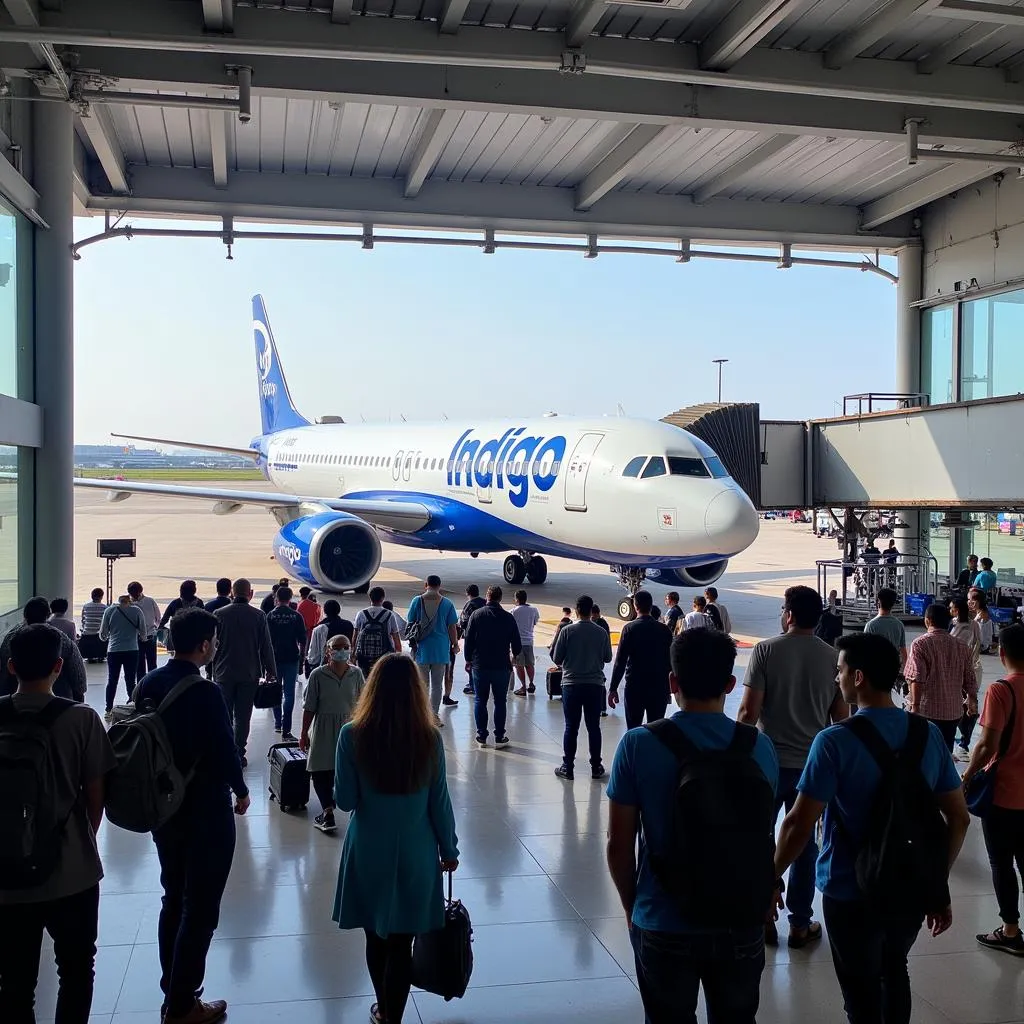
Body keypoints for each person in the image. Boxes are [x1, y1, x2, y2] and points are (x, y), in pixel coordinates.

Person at [775, 632, 970, 1024]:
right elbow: (960, 817)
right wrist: (934, 879)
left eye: (841, 671)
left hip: (850, 887)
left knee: (859, 987)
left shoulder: (833, 742)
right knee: (895, 968)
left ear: (859, 677)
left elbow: (798, 821)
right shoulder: (927, 733)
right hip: (910, 885)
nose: (837, 679)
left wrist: (771, 875)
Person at [606, 628, 778, 1024]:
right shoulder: (759, 747)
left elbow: (619, 843)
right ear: (731, 684)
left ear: (672, 682)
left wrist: (636, 910)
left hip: (664, 916)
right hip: (740, 916)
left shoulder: (638, 744)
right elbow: (761, 832)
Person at [134, 608, 250, 1024]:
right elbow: (223, 749)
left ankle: (173, 987)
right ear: (204, 645)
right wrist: (240, 789)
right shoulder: (206, 692)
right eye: (213, 641)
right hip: (203, 809)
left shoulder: (149, 682)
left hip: (164, 807)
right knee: (201, 909)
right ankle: (184, 1004)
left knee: (173, 897)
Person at [332, 654, 459, 1024]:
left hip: (369, 847)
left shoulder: (351, 735)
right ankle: (394, 1017)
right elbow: (440, 801)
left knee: (375, 939)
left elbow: (344, 801)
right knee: (403, 943)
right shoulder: (430, 738)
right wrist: (449, 849)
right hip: (417, 852)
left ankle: (383, 1007)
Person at [0, 624, 115, 1024]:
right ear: (59, 666)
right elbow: (96, 799)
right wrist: (79, 842)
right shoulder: (82, 719)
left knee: (13, 982)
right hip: (71, 871)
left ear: (11, 667)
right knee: (77, 971)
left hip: (6, 875)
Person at [739, 584, 846, 948]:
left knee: (761, 838)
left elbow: (747, 713)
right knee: (802, 843)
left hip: (768, 765)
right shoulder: (833, 658)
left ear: (788, 615)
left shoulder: (766, 650)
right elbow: (840, 718)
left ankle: (762, 915)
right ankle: (800, 922)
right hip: (811, 769)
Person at [963, 623, 1024, 956]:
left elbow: (986, 745)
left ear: (1002, 653)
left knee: (1002, 863)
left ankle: (1010, 931)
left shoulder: (1002, 690)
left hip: (1003, 795)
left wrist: (968, 776)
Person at [300, 633, 364, 833]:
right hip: (323, 726)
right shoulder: (318, 675)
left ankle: (350, 804)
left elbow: (363, 702)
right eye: (337, 647)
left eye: (346, 647)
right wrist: (304, 733)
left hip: (349, 728)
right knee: (320, 769)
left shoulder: (356, 674)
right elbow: (310, 707)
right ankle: (327, 811)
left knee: (346, 768)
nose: (342, 651)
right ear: (328, 651)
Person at [212, 579, 277, 767]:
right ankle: (239, 752)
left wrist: (209, 668)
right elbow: (266, 646)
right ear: (251, 593)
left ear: (232, 593)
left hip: (224, 673)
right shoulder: (258, 615)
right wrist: (271, 670)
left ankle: (225, 751)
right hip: (249, 673)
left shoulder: (219, 614)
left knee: (224, 714)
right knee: (243, 716)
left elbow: (213, 646)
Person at [552, 595, 613, 781]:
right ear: (591, 609)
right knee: (594, 727)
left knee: (571, 727)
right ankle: (596, 766)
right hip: (594, 685)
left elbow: (557, 658)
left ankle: (568, 767)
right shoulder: (601, 632)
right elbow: (608, 658)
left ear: (577, 610)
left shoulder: (567, 631)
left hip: (571, 684)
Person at [903, 603, 978, 752]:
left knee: (925, 753)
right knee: (945, 751)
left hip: (927, 711)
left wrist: (915, 707)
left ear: (928, 621)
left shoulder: (920, 644)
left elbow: (917, 677)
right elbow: (970, 677)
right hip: (953, 712)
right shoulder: (962, 646)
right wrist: (972, 700)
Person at [464, 585, 521, 748]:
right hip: (501, 666)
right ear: (500, 598)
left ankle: (481, 736)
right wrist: (514, 655)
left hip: (480, 665)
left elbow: (469, 640)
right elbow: (516, 644)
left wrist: (468, 659)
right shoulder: (508, 618)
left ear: (487, 598)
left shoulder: (476, 615)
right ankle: (499, 736)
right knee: (500, 701)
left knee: (480, 700)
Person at [0, 598, 88, 703]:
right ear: (48, 615)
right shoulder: (63, 641)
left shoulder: (10, 639)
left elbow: (3, 676)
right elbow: (80, 683)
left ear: (25, 615)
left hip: (15, 706)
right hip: (58, 706)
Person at [608, 589, 672, 728]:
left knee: (633, 728)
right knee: (656, 730)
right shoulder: (664, 630)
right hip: (658, 687)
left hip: (635, 686)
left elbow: (620, 661)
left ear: (635, 607)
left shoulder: (629, 628)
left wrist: (613, 688)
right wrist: (671, 687)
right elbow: (671, 661)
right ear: (651, 606)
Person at [406, 575, 459, 723]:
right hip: (441, 650)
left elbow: (410, 622)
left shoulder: (417, 601)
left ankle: (421, 716)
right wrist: (454, 644)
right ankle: (434, 715)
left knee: (423, 685)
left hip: (421, 648)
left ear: (426, 585)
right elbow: (452, 627)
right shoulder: (447, 603)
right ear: (439, 586)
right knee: (437, 685)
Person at [266, 586, 307, 742]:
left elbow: (266, 641)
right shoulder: (296, 616)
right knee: (289, 694)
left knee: (275, 691)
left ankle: (277, 723)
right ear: (290, 598)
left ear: (276, 597)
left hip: (274, 659)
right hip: (291, 658)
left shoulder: (270, 615)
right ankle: (287, 729)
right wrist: (302, 658)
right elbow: (303, 640)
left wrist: (265, 662)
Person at [100, 593, 146, 720]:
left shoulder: (109, 611)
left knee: (112, 680)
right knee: (131, 680)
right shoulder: (137, 611)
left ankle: (108, 709)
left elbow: (102, 634)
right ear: (129, 601)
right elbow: (143, 633)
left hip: (114, 650)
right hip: (132, 649)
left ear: (118, 601)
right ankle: (132, 707)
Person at [950, 596, 982, 761]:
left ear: (957, 609)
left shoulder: (973, 624)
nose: (950, 611)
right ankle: (962, 737)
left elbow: (978, 643)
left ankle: (965, 740)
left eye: (952, 608)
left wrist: (972, 661)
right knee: (958, 703)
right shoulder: (953, 624)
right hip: (955, 670)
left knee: (970, 704)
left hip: (969, 668)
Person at [352, 587, 402, 679]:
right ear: (383, 598)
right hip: (384, 656)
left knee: (365, 681)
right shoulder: (389, 614)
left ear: (369, 597)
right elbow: (396, 638)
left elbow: (355, 636)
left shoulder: (361, 614)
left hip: (364, 656)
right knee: (382, 682)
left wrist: (353, 655)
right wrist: (398, 656)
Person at [308, 598, 356, 674]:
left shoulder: (320, 628)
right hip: (346, 665)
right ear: (338, 610)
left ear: (325, 611)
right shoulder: (349, 625)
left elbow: (314, 653)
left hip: (327, 667)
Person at [864, 587, 908, 668]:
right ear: (893, 604)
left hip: (877, 666)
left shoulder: (871, 625)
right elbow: (903, 650)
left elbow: (866, 651)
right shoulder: (899, 624)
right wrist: (906, 669)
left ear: (878, 603)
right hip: (894, 667)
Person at [127, 581, 161, 678]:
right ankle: (143, 685)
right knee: (141, 664)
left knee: (150, 664)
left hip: (149, 636)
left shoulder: (149, 601)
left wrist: (154, 628)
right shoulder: (129, 604)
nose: (134, 596)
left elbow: (158, 618)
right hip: (139, 637)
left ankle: (151, 684)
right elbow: (158, 618)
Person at [511, 589, 540, 696]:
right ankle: (531, 683)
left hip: (518, 642)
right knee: (530, 664)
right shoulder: (534, 610)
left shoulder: (513, 611)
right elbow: (535, 622)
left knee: (519, 666)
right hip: (529, 641)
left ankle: (523, 687)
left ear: (516, 599)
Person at [458, 585, 486, 695]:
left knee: (471, 662)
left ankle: (472, 685)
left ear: (467, 593)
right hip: (486, 638)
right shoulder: (485, 602)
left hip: (473, 638)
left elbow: (464, 623)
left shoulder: (469, 605)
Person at [79, 588, 107, 663]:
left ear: (92, 596)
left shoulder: (86, 606)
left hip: (87, 636)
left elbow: (83, 620)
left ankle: (90, 657)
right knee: (103, 634)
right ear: (101, 596)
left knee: (87, 632)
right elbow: (106, 623)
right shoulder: (105, 607)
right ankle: (101, 656)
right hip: (99, 637)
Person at [971, 588, 997, 653]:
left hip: (982, 646)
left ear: (979, 602)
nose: (972, 604)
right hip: (981, 644)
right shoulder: (981, 611)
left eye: (974, 602)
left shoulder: (983, 613)